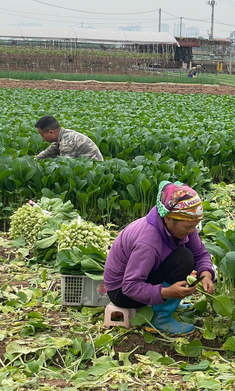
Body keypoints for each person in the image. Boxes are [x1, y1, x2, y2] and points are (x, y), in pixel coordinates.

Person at [103, 181, 215, 335]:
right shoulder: (148, 242)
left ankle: (168, 306)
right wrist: (167, 292)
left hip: (142, 279)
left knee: (186, 255)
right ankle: (161, 317)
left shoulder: (182, 225)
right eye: (188, 227)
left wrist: (206, 274)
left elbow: (200, 254)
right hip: (122, 291)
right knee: (183, 257)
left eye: (194, 226)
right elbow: (130, 286)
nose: (191, 231)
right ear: (168, 218)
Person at [34, 115, 103, 161]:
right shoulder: (63, 136)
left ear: (51, 132)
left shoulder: (67, 141)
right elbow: (48, 152)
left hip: (93, 170)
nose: (43, 139)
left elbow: (65, 165)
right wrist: (35, 159)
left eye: (43, 136)